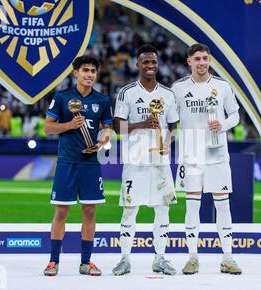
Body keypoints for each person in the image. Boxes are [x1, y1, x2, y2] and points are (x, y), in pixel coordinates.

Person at [172, 43, 242, 275]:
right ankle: (192, 257)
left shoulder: (222, 87)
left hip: (217, 153)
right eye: (198, 59)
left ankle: (228, 257)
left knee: (222, 205)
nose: (202, 62)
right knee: (192, 205)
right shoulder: (178, 88)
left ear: (209, 60)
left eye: (206, 58)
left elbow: (235, 116)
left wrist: (222, 124)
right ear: (189, 62)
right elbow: (171, 120)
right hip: (190, 155)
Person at [112, 44, 179, 276]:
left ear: (157, 65)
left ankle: (160, 258)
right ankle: (125, 259)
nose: (150, 66)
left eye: (153, 62)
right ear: (137, 64)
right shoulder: (127, 92)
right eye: (145, 62)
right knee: (130, 209)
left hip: (159, 162)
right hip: (135, 161)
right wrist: (141, 124)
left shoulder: (168, 94)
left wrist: (168, 141)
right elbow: (117, 125)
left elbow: (173, 125)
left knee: (163, 210)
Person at [43, 56, 112, 276]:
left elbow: (108, 129)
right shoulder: (62, 97)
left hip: (91, 163)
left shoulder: (102, 100)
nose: (90, 74)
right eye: (85, 70)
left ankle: (86, 262)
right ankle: (53, 261)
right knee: (61, 211)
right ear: (75, 73)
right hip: (68, 162)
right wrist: (69, 125)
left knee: (90, 211)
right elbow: (48, 128)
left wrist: (104, 140)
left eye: (93, 71)